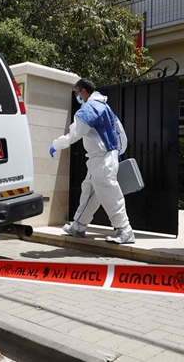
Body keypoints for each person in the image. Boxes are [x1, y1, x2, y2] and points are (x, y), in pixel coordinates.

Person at [49, 78, 135, 244]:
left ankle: (125, 230)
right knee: (89, 192)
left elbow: (74, 134)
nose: (76, 96)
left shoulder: (88, 108)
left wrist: (56, 145)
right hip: (105, 157)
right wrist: (118, 152)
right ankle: (78, 226)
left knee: (110, 195)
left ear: (83, 91)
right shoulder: (105, 107)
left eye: (76, 92)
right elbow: (120, 132)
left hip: (101, 158)